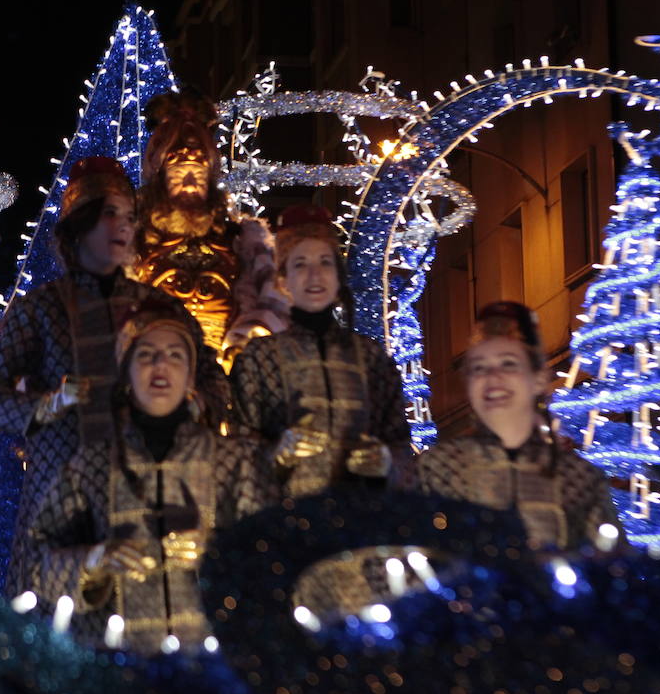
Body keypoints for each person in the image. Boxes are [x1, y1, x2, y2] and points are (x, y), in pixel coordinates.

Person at [0, 157, 228, 595]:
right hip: (59, 493)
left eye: (129, 216)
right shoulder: (41, 308)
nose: (123, 226)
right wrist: (46, 406)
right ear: (79, 224)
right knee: (54, 625)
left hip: (145, 491)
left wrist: (194, 401)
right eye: (109, 213)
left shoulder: (161, 308)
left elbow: (215, 380)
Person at [25, 300, 273, 654]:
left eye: (175, 355)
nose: (161, 365)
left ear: (190, 377)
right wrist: (94, 561)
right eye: (147, 354)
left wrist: (213, 554)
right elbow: (38, 558)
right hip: (117, 667)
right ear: (126, 372)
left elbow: (269, 553)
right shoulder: (92, 464)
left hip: (212, 667)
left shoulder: (233, 461)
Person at [230, 204, 415, 496]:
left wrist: (386, 463)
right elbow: (238, 451)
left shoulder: (370, 357)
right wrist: (277, 455)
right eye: (300, 263)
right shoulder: (259, 357)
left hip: (360, 523)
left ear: (338, 276)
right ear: (283, 280)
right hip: (288, 526)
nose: (314, 275)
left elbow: (401, 444)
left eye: (325, 262)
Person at [416, 300, 622, 550]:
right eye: (479, 368)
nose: (493, 377)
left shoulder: (579, 476)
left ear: (537, 380)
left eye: (508, 364)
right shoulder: (438, 467)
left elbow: (611, 565)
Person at [130, 88, 286, 369]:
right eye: (179, 168)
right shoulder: (133, 242)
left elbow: (275, 304)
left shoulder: (243, 243)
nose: (190, 180)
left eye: (199, 169)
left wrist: (245, 345)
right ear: (160, 172)